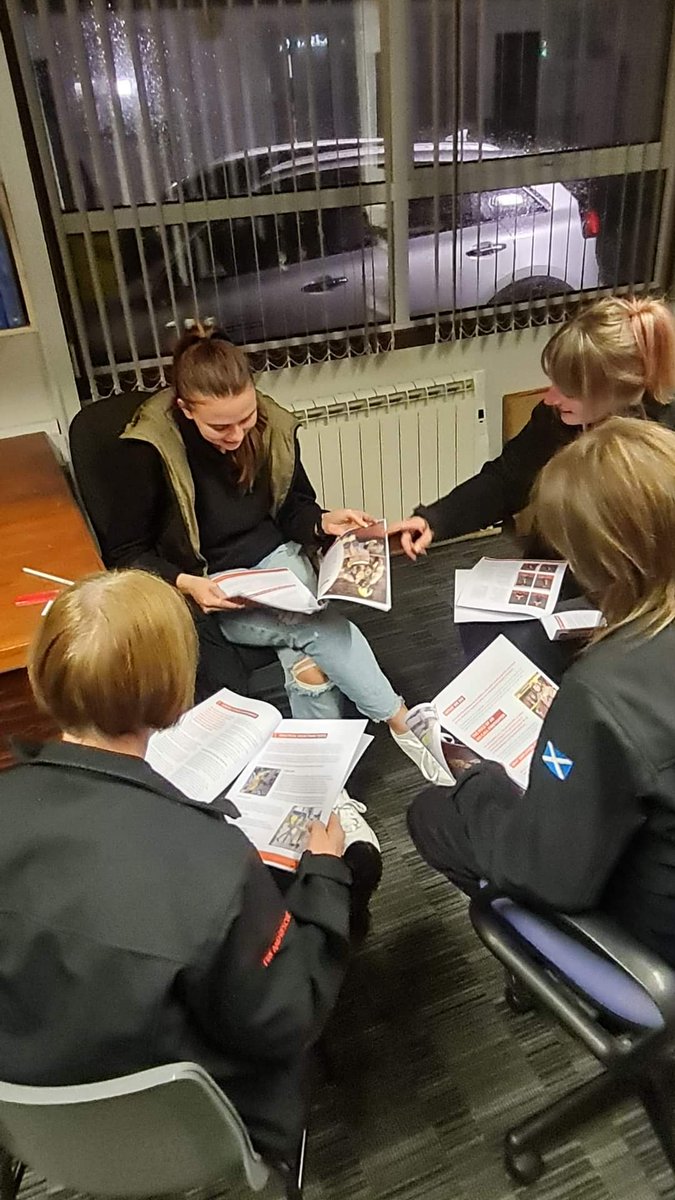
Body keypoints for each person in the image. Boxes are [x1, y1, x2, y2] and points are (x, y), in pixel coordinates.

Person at [0, 569, 354, 1165]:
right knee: (341, 878)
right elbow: (288, 1016)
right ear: (172, 694)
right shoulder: (216, 865)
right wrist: (326, 874)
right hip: (190, 1133)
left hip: (25, 1112)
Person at [107, 324, 450, 819]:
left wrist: (320, 521)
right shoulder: (147, 452)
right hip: (217, 587)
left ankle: (325, 794)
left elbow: (293, 507)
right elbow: (127, 550)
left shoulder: (267, 428)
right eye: (220, 427)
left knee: (306, 662)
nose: (237, 435)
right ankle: (402, 723)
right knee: (313, 630)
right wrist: (188, 584)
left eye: (246, 419)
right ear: (185, 410)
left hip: (280, 564)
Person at [407, 417, 675, 969]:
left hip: (651, 940)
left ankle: (552, 966)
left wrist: (479, 781)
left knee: (435, 814)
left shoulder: (603, 693)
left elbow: (552, 875)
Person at [390, 295, 675, 679]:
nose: (550, 397)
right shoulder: (558, 418)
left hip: (636, 589)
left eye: (567, 389)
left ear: (619, 391)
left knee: (537, 655)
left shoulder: (661, 444)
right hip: (566, 570)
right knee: (483, 629)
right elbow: (506, 480)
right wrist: (435, 519)